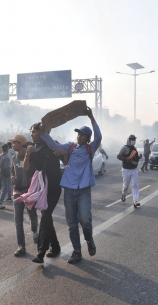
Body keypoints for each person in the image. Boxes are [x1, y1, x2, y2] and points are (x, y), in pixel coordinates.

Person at [39, 107, 102, 264]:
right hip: (69, 189)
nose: (78, 136)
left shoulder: (90, 148)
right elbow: (54, 146)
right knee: (72, 223)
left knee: (85, 220)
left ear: (87, 138)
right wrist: (44, 133)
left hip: (83, 190)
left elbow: (99, 136)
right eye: (78, 134)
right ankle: (77, 251)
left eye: (81, 134)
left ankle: (89, 240)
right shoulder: (70, 146)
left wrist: (92, 117)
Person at [25, 122, 64, 264]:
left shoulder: (54, 145)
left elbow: (66, 161)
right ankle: (55, 246)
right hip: (42, 188)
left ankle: (41, 252)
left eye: (34, 132)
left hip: (54, 186)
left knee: (45, 216)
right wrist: (29, 153)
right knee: (46, 217)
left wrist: (64, 152)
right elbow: (26, 167)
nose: (31, 134)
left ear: (42, 133)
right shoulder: (31, 147)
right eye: (31, 132)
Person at [10, 135, 38, 256]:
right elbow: (12, 170)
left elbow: (38, 171)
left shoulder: (31, 156)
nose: (12, 145)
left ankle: (35, 231)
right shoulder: (13, 157)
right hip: (17, 191)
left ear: (21, 144)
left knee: (32, 215)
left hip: (29, 192)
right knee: (18, 220)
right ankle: (21, 246)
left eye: (14, 143)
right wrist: (13, 178)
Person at [117, 135, 142, 208]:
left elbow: (136, 159)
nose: (133, 141)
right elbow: (118, 156)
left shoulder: (134, 148)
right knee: (126, 186)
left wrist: (139, 157)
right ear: (128, 140)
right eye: (132, 139)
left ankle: (135, 201)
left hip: (134, 169)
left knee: (134, 185)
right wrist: (126, 159)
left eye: (134, 139)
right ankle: (123, 195)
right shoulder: (124, 148)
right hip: (126, 169)